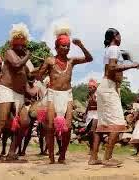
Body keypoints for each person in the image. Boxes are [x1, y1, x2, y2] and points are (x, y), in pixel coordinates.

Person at [31, 25, 93, 164]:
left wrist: (81, 45)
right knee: (51, 127)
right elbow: (39, 76)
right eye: (63, 46)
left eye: (68, 46)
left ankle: (62, 156)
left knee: (68, 128)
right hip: (52, 94)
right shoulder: (49, 60)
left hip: (68, 95)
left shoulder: (72, 61)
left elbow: (89, 59)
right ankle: (51, 156)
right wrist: (42, 74)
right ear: (57, 47)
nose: (66, 48)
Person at [89, 28, 139, 166]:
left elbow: (112, 68)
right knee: (118, 124)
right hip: (108, 88)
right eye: (119, 35)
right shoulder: (114, 48)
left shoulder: (110, 50)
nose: (121, 38)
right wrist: (131, 65)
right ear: (114, 36)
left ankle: (93, 158)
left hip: (106, 87)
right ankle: (107, 158)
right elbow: (112, 68)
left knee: (102, 126)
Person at [0, 23, 32, 163]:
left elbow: (29, 75)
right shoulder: (9, 53)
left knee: (25, 122)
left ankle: (11, 153)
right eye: (18, 44)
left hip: (19, 95)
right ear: (13, 43)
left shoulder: (24, 62)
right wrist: (28, 55)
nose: (20, 47)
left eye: (22, 45)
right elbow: (17, 65)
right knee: (2, 123)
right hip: (6, 91)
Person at [84, 78, 98, 155]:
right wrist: (85, 114)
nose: (89, 89)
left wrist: (93, 99)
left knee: (93, 131)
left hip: (96, 114)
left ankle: (94, 149)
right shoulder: (88, 95)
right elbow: (88, 105)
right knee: (89, 132)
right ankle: (91, 148)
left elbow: (100, 104)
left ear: (94, 87)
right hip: (90, 114)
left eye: (91, 87)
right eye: (88, 87)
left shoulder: (97, 94)